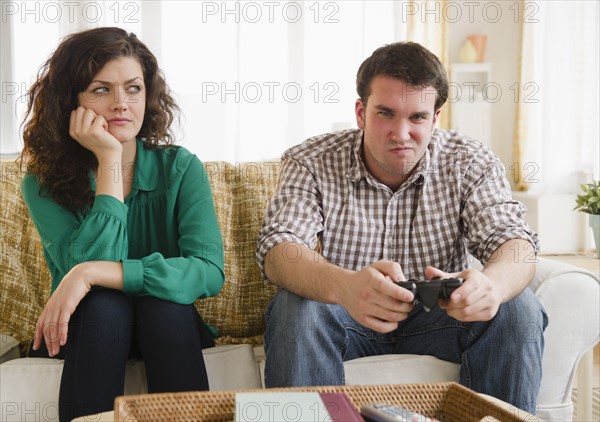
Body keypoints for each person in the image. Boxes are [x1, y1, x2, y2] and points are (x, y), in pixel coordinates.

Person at [256, 41, 548, 414]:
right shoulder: (310, 159)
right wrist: (345, 286)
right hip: (348, 315)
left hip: (441, 318)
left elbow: (516, 243)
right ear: (361, 112)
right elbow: (280, 250)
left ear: (435, 118)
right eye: (386, 114)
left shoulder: (469, 160)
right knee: (296, 306)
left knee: (518, 306)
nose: (401, 133)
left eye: (417, 118)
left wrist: (492, 285)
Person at [20, 27, 224, 421]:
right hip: (89, 326)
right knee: (104, 305)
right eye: (100, 90)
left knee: (163, 303)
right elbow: (87, 271)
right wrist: (109, 161)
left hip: (169, 325)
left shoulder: (181, 168)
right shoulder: (42, 184)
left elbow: (208, 271)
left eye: (133, 89)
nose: (121, 104)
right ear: (71, 100)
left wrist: (93, 272)